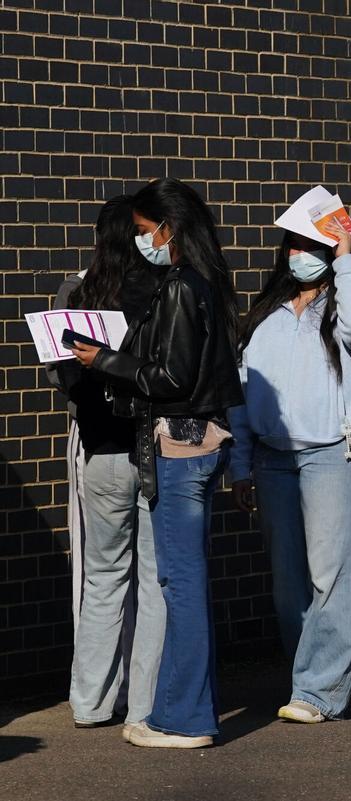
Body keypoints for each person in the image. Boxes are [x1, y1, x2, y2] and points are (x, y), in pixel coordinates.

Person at [71, 178, 243, 748]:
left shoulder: (177, 287)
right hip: (202, 444)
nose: (142, 241)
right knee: (174, 581)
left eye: (146, 231)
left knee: (177, 583)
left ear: (170, 228)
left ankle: (181, 717)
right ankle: (170, 707)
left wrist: (107, 361)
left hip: (175, 446)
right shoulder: (210, 284)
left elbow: (170, 377)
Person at [229, 214, 351, 722]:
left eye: (313, 245)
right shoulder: (266, 316)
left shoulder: (350, 306)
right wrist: (240, 465)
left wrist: (345, 258)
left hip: (334, 454)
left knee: (331, 575)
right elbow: (241, 393)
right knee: (289, 583)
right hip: (274, 459)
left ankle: (319, 692)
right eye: (294, 244)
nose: (301, 254)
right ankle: (308, 679)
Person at [48, 196, 164, 732]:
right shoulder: (160, 291)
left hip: (98, 453)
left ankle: (89, 702)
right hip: (152, 451)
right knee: (155, 582)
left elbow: (61, 377)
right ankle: (144, 703)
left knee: (102, 580)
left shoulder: (76, 295)